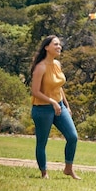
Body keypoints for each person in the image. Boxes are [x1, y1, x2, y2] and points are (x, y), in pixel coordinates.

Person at [30, 35, 80, 180]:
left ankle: (68, 169)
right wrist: (52, 102)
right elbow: (35, 91)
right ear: (46, 47)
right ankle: (44, 173)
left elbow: (58, 87)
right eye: (56, 44)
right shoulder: (40, 67)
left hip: (59, 106)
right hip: (42, 109)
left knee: (73, 137)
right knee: (42, 142)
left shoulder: (57, 64)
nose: (59, 47)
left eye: (59, 44)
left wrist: (66, 105)